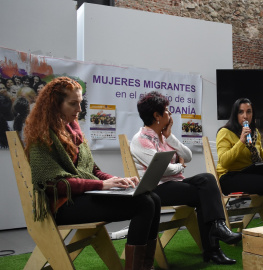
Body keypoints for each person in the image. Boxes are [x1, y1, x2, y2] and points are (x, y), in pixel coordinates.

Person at [23, 77, 161, 270]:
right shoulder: (42, 136)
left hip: (81, 197)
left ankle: (146, 266)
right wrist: (102, 185)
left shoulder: (73, 130)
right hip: (62, 206)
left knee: (153, 198)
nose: (79, 109)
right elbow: (54, 184)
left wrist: (115, 180)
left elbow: (93, 171)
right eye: (73, 104)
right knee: (144, 203)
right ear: (55, 105)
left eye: (80, 103)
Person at [130, 91, 241, 265]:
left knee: (207, 179)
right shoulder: (140, 139)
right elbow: (163, 170)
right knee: (205, 194)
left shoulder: (164, 137)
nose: (170, 114)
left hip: (175, 183)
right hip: (156, 189)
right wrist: (180, 166)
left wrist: (170, 137)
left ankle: (218, 228)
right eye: (166, 111)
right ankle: (214, 247)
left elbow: (187, 156)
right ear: (156, 115)